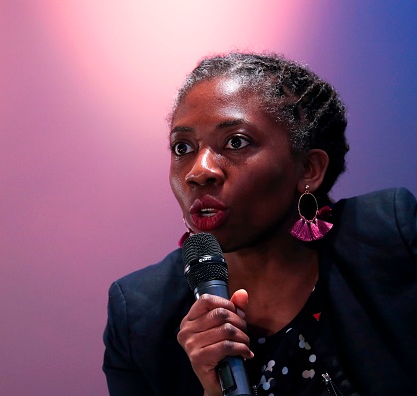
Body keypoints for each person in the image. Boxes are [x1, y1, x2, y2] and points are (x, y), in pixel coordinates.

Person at [102, 52, 417, 396]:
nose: (198, 171)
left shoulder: (390, 235)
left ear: (309, 169)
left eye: (236, 142)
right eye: (183, 147)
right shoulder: (139, 314)